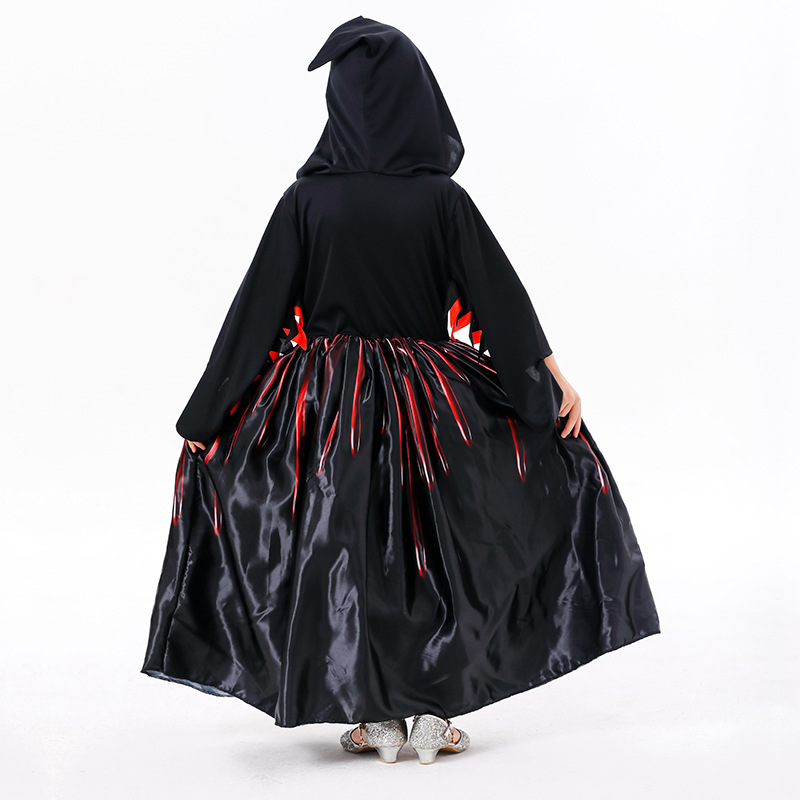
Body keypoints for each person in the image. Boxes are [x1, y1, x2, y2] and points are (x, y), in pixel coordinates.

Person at [141, 16, 661, 765]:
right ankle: (428, 716)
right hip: (431, 403)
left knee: (347, 551)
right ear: (420, 99)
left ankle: (374, 716)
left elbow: (254, 316)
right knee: (433, 553)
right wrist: (546, 385)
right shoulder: (442, 200)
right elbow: (501, 305)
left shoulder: (307, 202)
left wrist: (207, 415)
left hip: (327, 410)